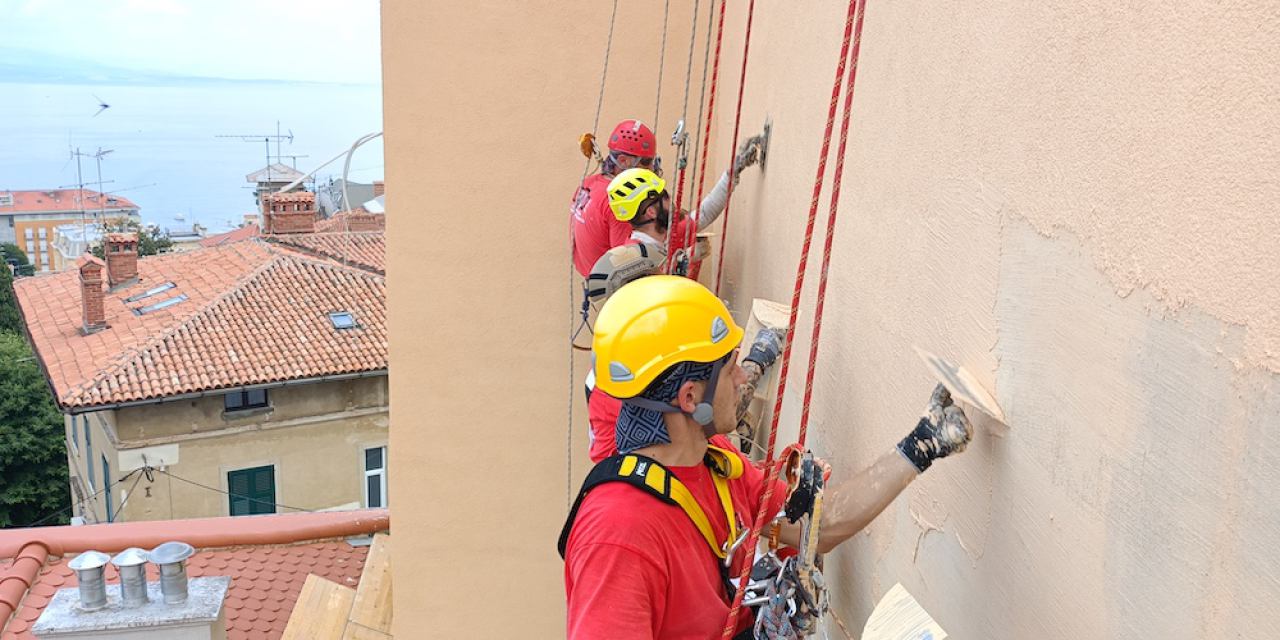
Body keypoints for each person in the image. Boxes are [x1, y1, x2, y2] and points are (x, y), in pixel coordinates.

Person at [561, 276, 974, 639]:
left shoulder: (713, 462)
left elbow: (819, 524)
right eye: (730, 369)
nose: (743, 378)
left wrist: (922, 445)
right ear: (690, 397)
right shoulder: (619, 536)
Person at [581, 243, 783, 463]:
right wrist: (756, 361)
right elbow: (708, 399)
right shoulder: (638, 371)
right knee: (739, 426)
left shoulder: (622, 357)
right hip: (660, 464)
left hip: (659, 460)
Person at [571, 119, 764, 277]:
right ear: (650, 211)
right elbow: (626, 272)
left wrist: (733, 172)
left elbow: (703, 214)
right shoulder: (636, 255)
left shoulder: (592, 185)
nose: (672, 203)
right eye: (664, 197)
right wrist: (681, 261)